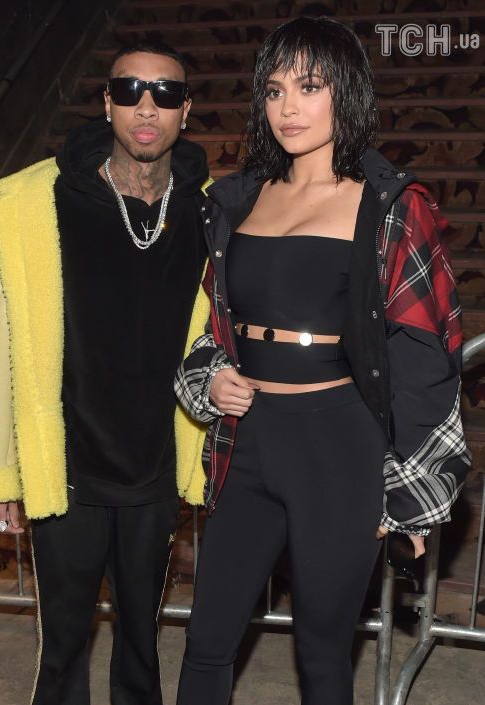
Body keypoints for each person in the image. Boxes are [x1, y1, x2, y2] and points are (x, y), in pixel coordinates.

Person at [173, 15, 471, 705]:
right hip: (248, 442)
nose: (289, 107)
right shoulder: (239, 200)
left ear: (346, 91)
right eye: (275, 89)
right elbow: (215, 324)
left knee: (322, 654)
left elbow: (423, 353)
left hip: (339, 448)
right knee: (206, 639)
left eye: (309, 87)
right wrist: (212, 377)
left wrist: (412, 496)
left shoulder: (388, 206)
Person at [0, 41, 212, 705]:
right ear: (106, 103)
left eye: (164, 92)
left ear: (186, 110)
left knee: (141, 645)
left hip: (155, 469)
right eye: (129, 90)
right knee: (64, 649)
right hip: (66, 470)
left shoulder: (210, 209)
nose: (146, 107)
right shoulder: (33, 205)